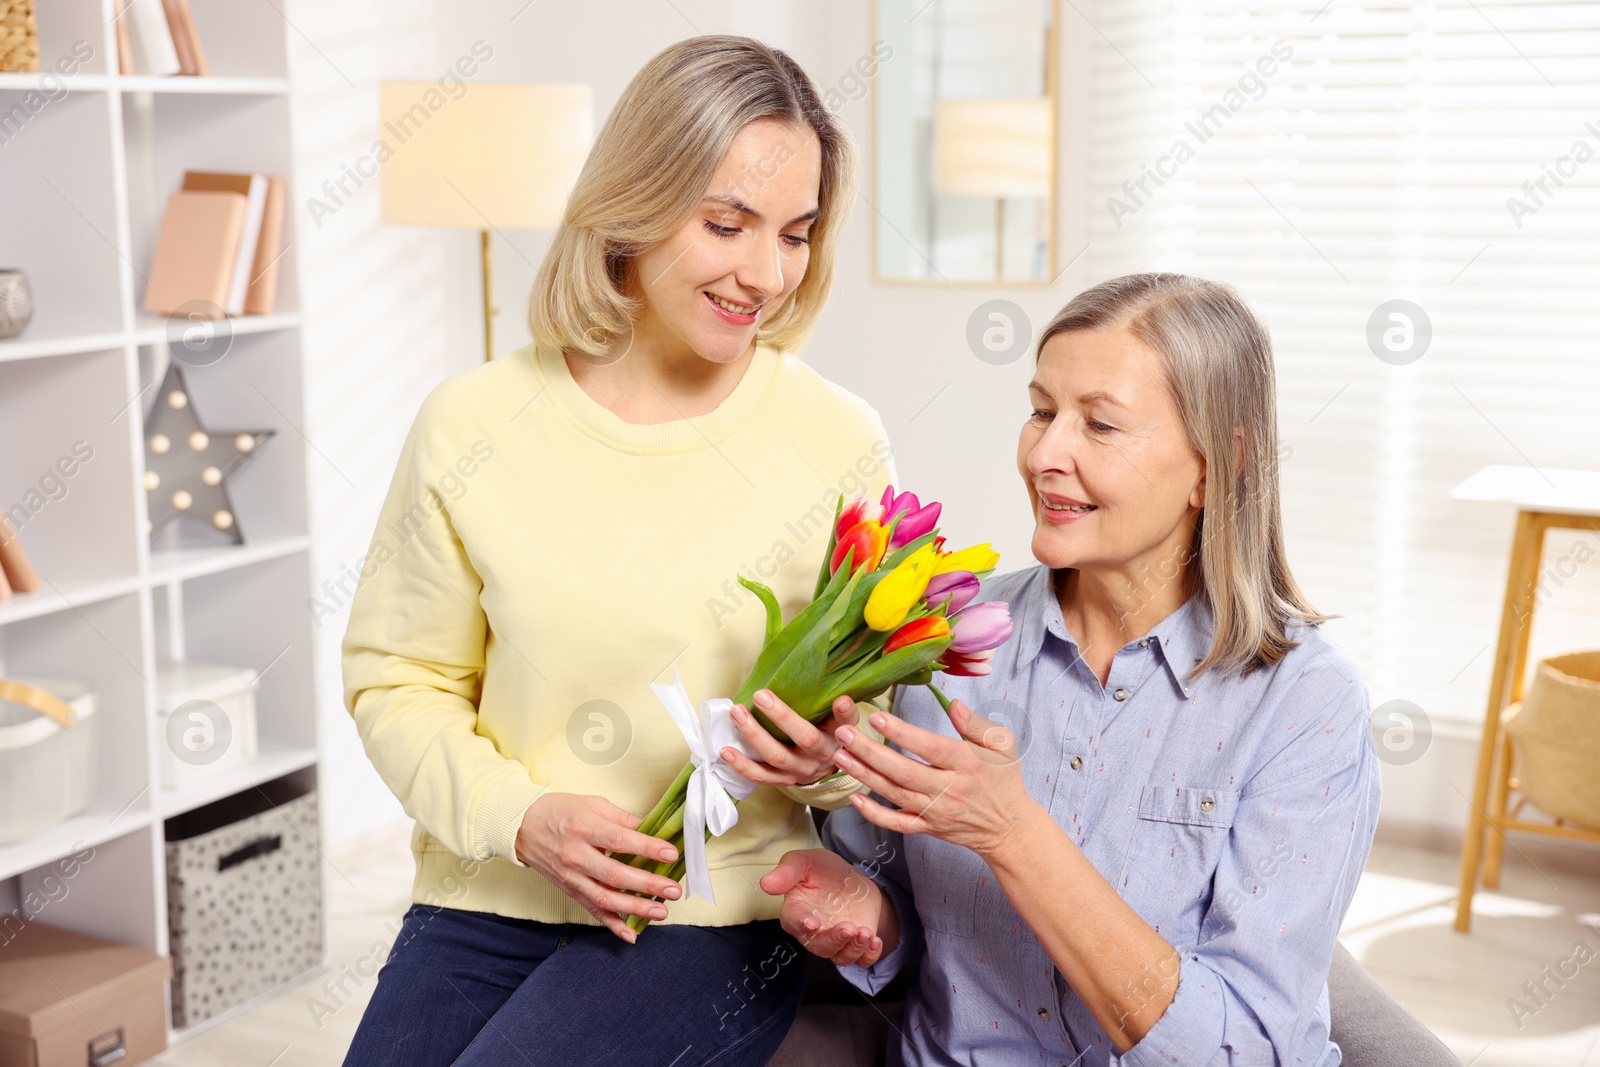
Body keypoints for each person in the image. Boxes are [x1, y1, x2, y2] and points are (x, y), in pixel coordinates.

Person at [340, 35, 891, 1067]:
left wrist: (827, 762)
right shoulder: (472, 422)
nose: (764, 273)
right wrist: (526, 816)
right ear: (632, 203)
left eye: (795, 234)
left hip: (718, 919)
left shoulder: (836, 439)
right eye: (726, 223)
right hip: (492, 886)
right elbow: (398, 676)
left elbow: (872, 714)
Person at [761, 273, 1382, 1065]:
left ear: (1213, 465)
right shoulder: (946, 644)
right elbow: (903, 908)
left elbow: (1241, 1049)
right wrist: (863, 911)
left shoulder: (1304, 705)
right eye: (1042, 410)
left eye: (1100, 424)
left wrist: (1012, 833)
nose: (1045, 454)